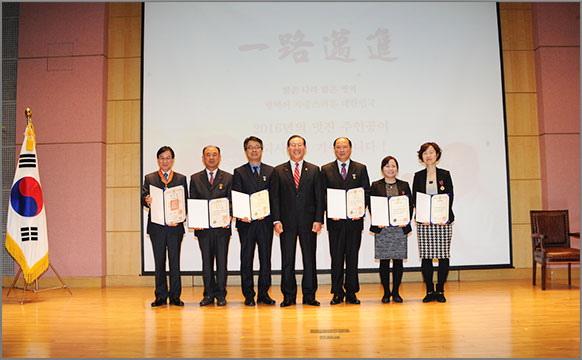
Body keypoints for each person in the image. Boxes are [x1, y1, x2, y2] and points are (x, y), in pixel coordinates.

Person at [270, 135, 324, 307]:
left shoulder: (314, 170)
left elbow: (319, 197)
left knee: (309, 259)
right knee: (288, 260)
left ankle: (309, 296)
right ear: (288, 148)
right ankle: (288, 296)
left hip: (309, 223)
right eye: (293, 145)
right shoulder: (278, 171)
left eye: (299, 145)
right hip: (286, 223)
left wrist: (318, 219)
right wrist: (276, 220)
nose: (296, 148)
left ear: (305, 148)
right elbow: (275, 198)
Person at [320, 137, 370, 305]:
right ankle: (337, 292)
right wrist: (329, 211)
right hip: (335, 222)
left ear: (350, 149)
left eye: (345, 147)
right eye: (338, 147)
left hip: (354, 222)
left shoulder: (360, 168)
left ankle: (351, 292)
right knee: (336, 257)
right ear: (334, 149)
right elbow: (322, 195)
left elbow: (366, 193)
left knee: (352, 257)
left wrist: (361, 210)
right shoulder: (326, 169)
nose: (342, 150)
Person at [141, 146, 188, 307]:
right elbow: (143, 197)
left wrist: (180, 218)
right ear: (158, 160)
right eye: (162, 158)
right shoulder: (150, 178)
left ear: (173, 160)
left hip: (175, 228)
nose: (165, 161)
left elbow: (184, 203)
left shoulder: (181, 178)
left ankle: (175, 296)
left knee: (175, 262)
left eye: (168, 158)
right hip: (157, 228)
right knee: (159, 262)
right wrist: (145, 200)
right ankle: (160, 296)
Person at [232, 136, 276, 306]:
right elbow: (236, 196)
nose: (254, 150)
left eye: (257, 147)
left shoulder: (271, 171)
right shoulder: (239, 172)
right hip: (246, 223)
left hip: (265, 222)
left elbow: (274, 196)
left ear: (262, 150)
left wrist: (270, 212)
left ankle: (264, 293)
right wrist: (240, 213)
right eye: (250, 147)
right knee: (247, 258)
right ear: (246, 151)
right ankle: (248, 295)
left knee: (265, 259)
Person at [189, 145, 233, 306]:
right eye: (208, 155)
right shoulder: (195, 178)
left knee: (222, 262)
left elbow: (231, 202)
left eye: (215, 154)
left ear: (220, 157)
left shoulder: (228, 178)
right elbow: (192, 201)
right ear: (203, 158)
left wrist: (228, 216)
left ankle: (221, 294)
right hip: (203, 229)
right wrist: (195, 221)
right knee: (206, 262)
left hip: (221, 229)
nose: (212, 157)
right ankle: (208, 294)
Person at [412, 142, 454, 303]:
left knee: (443, 256)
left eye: (431, 152)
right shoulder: (418, 176)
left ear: (437, 155)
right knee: (427, 257)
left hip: (442, 222)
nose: (428, 155)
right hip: (425, 222)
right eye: (425, 153)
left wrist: (442, 216)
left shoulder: (445, 174)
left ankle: (441, 290)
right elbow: (416, 199)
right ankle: (429, 290)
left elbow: (450, 197)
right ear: (421, 156)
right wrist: (424, 216)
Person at [369, 156, 413, 303]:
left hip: (399, 230)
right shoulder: (375, 185)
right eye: (387, 166)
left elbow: (410, 205)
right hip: (383, 230)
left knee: (398, 261)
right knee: (384, 262)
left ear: (397, 168)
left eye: (393, 166)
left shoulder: (404, 185)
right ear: (382, 169)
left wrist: (406, 220)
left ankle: (396, 292)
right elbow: (372, 205)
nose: (390, 169)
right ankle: (386, 293)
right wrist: (377, 221)